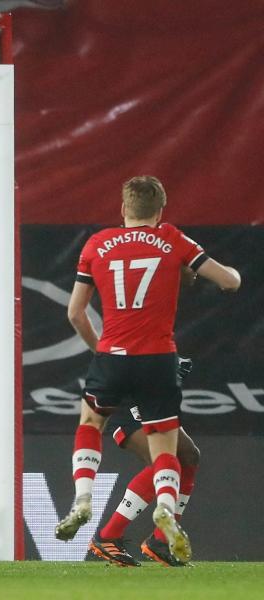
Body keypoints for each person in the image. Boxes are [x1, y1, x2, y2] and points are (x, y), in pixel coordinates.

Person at [54, 176, 240, 565]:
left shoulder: (98, 244)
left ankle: (140, 535)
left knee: (184, 454)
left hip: (111, 364)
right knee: (170, 453)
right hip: (154, 365)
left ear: (123, 209)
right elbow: (229, 281)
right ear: (160, 211)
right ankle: (120, 532)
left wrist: (101, 350)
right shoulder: (171, 242)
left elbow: (75, 312)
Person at [90, 393, 200, 567]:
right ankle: (108, 535)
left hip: (152, 399)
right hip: (127, 399)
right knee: (163, 460)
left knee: (188, 456)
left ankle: (162, 540)